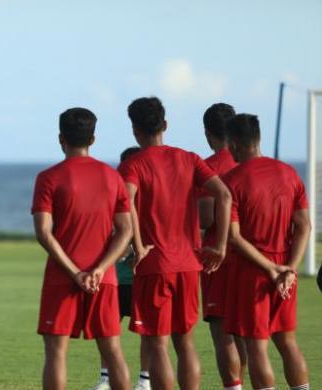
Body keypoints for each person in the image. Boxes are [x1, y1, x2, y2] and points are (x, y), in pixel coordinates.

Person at [117, 97, 232, 390]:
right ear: (165, 124)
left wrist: (139, 245)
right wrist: (219, 245)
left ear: (134, 130)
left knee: (157, 344)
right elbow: (225, 195)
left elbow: (126, 198)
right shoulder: (190, 158)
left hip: (155, 264)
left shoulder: (133, 165)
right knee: (186, 342)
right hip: (188, 265)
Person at [33, 108, 132, 390]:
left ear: (61, 138)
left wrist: (76, 272)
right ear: (93, 138)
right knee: (113, 352)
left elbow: (43, 232)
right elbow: (125, 230)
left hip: (61, 277)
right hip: (105, 278)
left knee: (56, 353)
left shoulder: (49, 178)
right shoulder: (113, 177)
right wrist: (100, 269)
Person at [222, 114, 310, 390]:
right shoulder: (289, 173)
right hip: (286, 270)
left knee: (257, 346)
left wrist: (271, 269)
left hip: (253, 274)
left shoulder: (232, 181)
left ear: (234, 144)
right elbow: (304, 225)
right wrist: (290, 269)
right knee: (287, 341)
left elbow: (233, 237)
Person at [90, 146, 151, 390]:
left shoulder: (149, 203)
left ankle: (145, 380)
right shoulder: (113, 198)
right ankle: (106, 377)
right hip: (115, 277)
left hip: (141, 277)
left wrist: (135, 249)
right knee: (107, 328)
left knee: (147, 331)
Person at [197, 103, 246, 390]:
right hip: (254, 256)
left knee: (222, 331)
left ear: (207, 133)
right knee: (248, 332)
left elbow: (205, 218)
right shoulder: (251, 163)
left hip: (218, 256)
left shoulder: (208, 168)